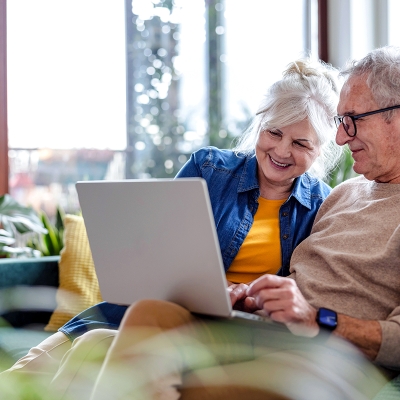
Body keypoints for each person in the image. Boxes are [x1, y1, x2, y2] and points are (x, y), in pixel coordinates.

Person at [33, 45, 400, 400]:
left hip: (320, 355)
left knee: (117, 361)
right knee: (140, 318)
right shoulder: (344, 195)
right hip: (259, 329)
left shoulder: (316, 197)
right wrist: (255, 295)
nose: (340, 136)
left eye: (351, 121)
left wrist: (317, 317)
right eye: (340, 122)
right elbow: (307, 277)